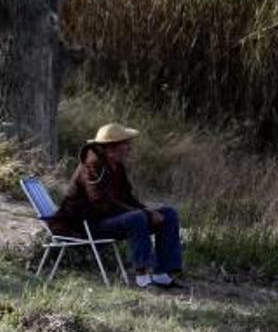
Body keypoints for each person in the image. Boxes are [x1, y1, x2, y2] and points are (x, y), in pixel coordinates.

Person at [49, 123, 185, 290]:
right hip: (87, 224)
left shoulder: (117, 166)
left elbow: (128, 197)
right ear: (111, 147)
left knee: (169, 214)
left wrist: (147, 210)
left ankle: (162, 274)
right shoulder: (92, 167)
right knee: (137, 218)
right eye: (125, 144)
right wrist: (143, 213)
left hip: (108, 219)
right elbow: (100, 204)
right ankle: (142, 277)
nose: (129, 148)